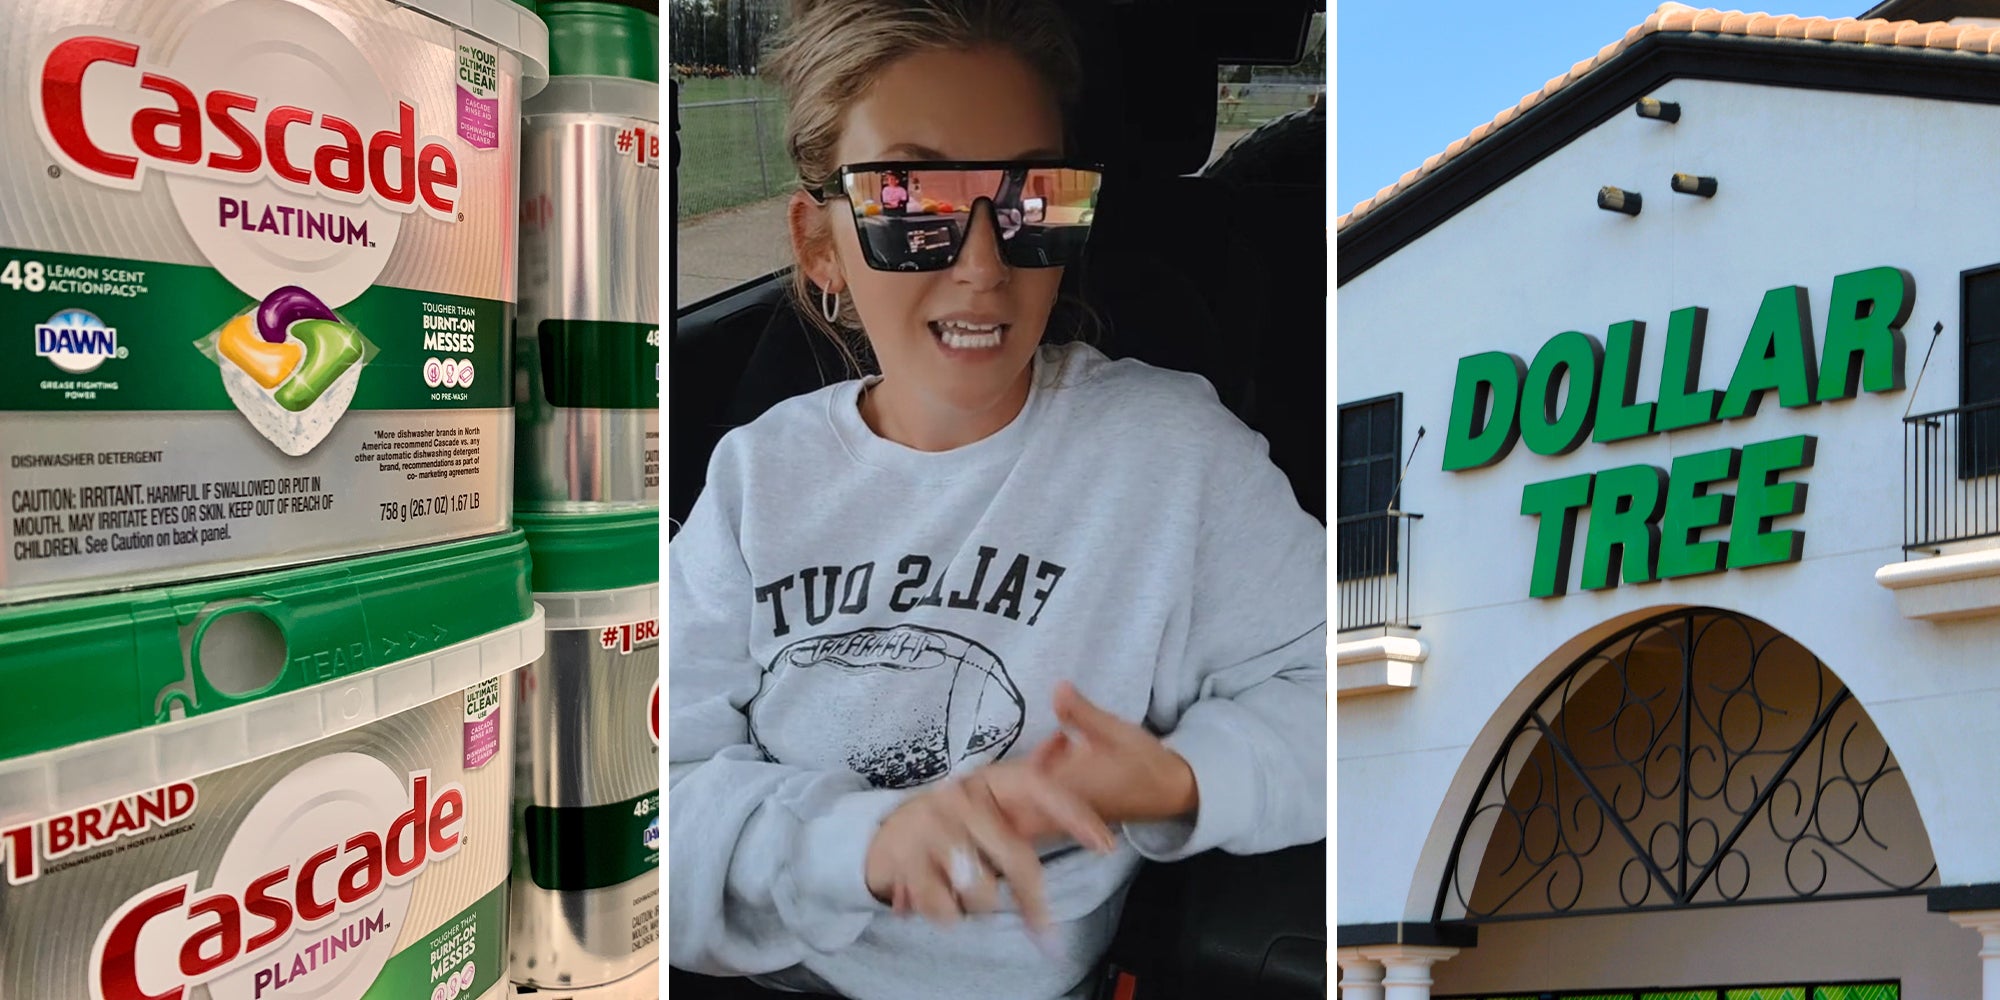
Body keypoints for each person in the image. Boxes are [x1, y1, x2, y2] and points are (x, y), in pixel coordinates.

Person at [666, 2, 1327, 999]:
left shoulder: (1173, 461)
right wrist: (856, 845)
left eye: (1033, 200)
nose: (983, 267)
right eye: (907, 199)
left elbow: (1357, 688)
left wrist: (1183, 778)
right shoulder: (758, 474)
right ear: (819, 247)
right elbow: (651, 793)